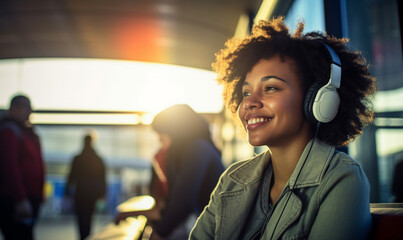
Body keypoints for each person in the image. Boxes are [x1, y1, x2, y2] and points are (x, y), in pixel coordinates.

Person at [190, 17, 376, 239]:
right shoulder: (232, 179)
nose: (249, 102)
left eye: (270, 88)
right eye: (246, 92)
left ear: (317, 99)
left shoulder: (342, 179)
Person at [116, 104, 225, 240]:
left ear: (175, 131)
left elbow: (183, 201)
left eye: (162, 133)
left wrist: (160, 232)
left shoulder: (197, 149)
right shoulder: (198, 148)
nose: (160, 140)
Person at [0, 94, 45, 240]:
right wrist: (20, 199)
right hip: (15, 201)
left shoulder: (27, 133)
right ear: (13, 109)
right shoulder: (9, 132)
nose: (28, 112)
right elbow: (9, 167)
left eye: (29, 108)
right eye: (24, 108)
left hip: (29, 198)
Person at [65, 134, 106, 240]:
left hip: (80, 193)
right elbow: (102, 178)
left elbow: (71, 176)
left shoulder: (77, 158)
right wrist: (102, 193)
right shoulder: (98, 159)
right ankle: (87, 236)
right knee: (89, 218)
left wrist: (67, 192)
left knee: (81, 219)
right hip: (92, 194)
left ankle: (83, 237)